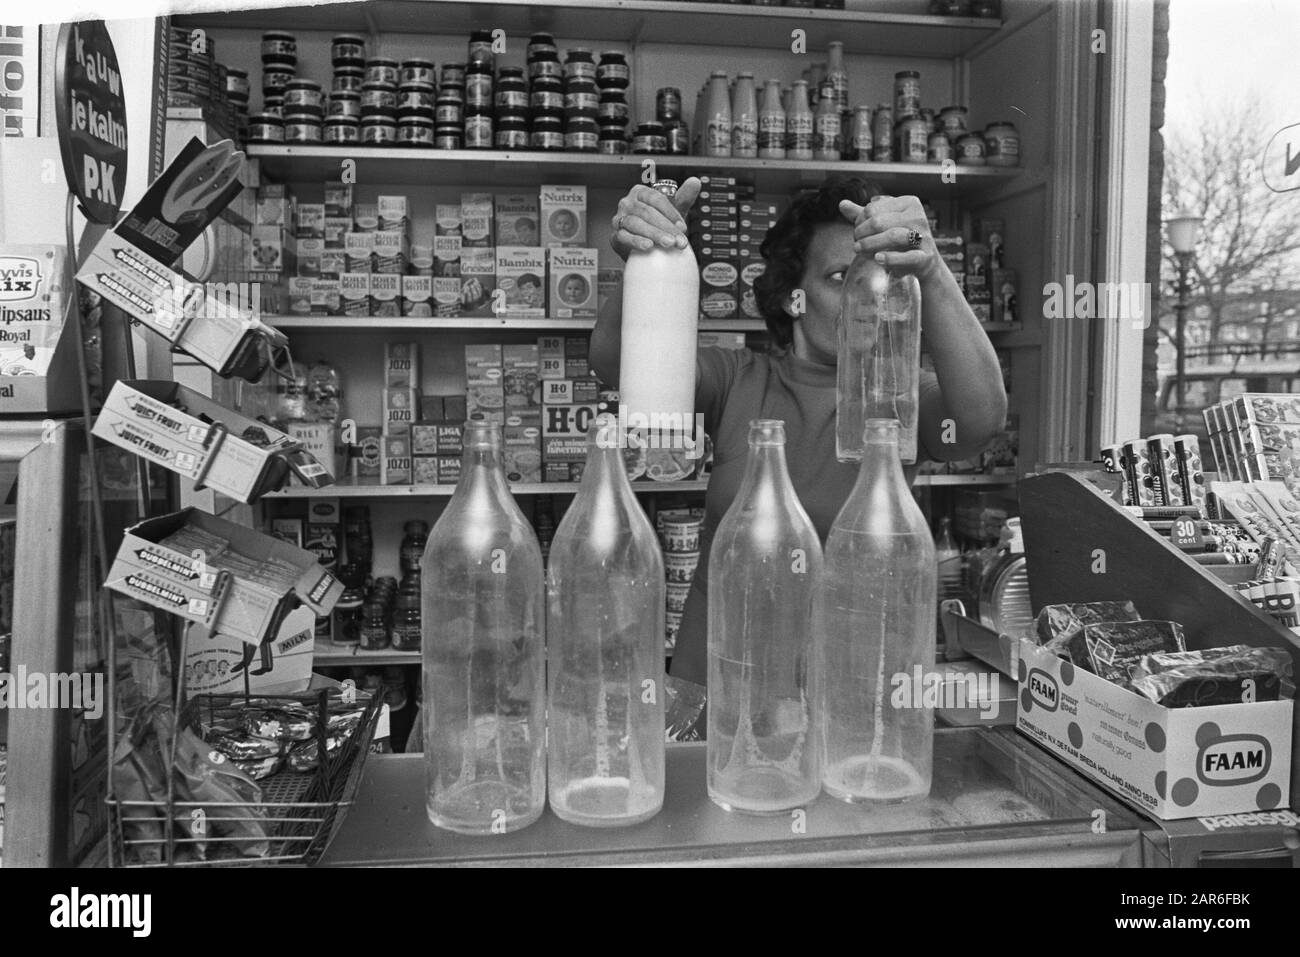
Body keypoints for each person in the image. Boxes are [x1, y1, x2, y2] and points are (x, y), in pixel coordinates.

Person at [590, 175, 1007, 735]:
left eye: (881, 275)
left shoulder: (901, 397)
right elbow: (617, 366)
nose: (866, 293)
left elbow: (981, 421)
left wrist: (929, 269)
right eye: (841, 276)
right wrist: (643, 261)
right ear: (794, 294)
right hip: (717, 701)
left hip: (850, 709)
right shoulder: (738, 378)